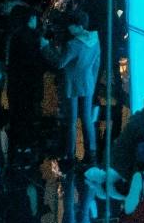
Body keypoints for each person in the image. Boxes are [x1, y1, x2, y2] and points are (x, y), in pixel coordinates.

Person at [43, 11, 101, 166]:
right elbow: (96, 64)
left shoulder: (73, 45)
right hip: (88, 82)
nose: (69, 28)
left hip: (71, 84)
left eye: (71, 25)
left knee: (72, 120)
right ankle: (91, 152)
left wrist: (46, 48)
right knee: (87, 119)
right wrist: (93, 82)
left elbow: (60, 63)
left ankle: (70, 154)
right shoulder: (95, 39)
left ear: (79, 26)